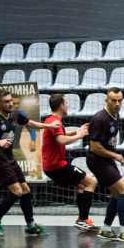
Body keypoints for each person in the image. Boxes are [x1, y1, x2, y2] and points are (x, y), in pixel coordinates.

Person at [0, 89, 62, 236]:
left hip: (9, 158)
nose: (10, 103)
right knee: (17, 191)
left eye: (11, 100)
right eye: (6, 102)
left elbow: (29, 123)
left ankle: (31, 225)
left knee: (25, 190)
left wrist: (48, 126)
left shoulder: (15, 114)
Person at [87, 87, 124, 243]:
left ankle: (105, 229)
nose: (117, 103)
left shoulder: (115, 115)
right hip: (97, 161)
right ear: (106, 100)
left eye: (120, 100)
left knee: (117, 194)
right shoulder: (100, 119)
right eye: (114, 100)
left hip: (106, 160)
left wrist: (112, 155)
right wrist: (115, 155)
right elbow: (94, 147)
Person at [42, 93, 99, 232]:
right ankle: (83, 220)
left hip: (50, 166)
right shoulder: (55, 121)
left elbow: (61, 134)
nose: (68, 105)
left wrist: (77, 131)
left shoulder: (52, 119)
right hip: (56, 165)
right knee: (91, 182)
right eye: (66, 103)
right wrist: (79, 136)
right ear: (61, 106)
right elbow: (60, 140)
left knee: (82, 186)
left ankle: (82, 219)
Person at [10, 95, 38, 177]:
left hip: (16, 147)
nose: (16, 105)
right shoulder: (2, 115)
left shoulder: (22, 115)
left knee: (25, 169)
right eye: (14, 103)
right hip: (3, 149)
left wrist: (33, 141)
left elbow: (32, 130)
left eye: (17, 103)